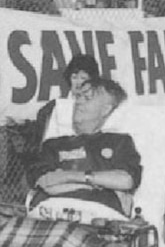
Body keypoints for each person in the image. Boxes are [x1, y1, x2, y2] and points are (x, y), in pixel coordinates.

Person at [27, 77, 142, 217]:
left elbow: (126, 180)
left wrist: (68, 177)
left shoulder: (119, 142)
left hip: (98, 219)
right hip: (52, 214)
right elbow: (43, 181)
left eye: (87, 98)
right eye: (78, 97)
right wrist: (97, 183)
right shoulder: (53, 145)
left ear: (105, 110)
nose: (79, 102)